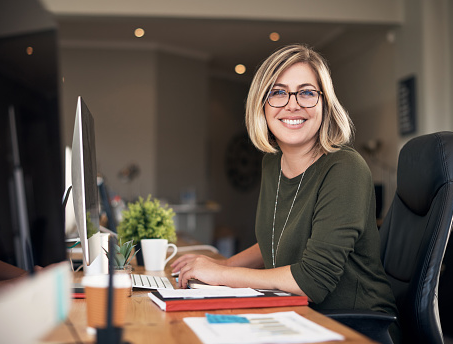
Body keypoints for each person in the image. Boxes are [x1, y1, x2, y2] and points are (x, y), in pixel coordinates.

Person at [171, 44, 399, 342]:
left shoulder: (345, 168)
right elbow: (275, 240)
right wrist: (222, 264)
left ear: (324, 103)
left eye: (306, 92)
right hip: (294, 313)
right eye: (278, 93)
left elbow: (312, 281)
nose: (293, 105)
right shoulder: (272, 165)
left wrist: (222, 275)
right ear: (262, 105)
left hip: (353, 326)